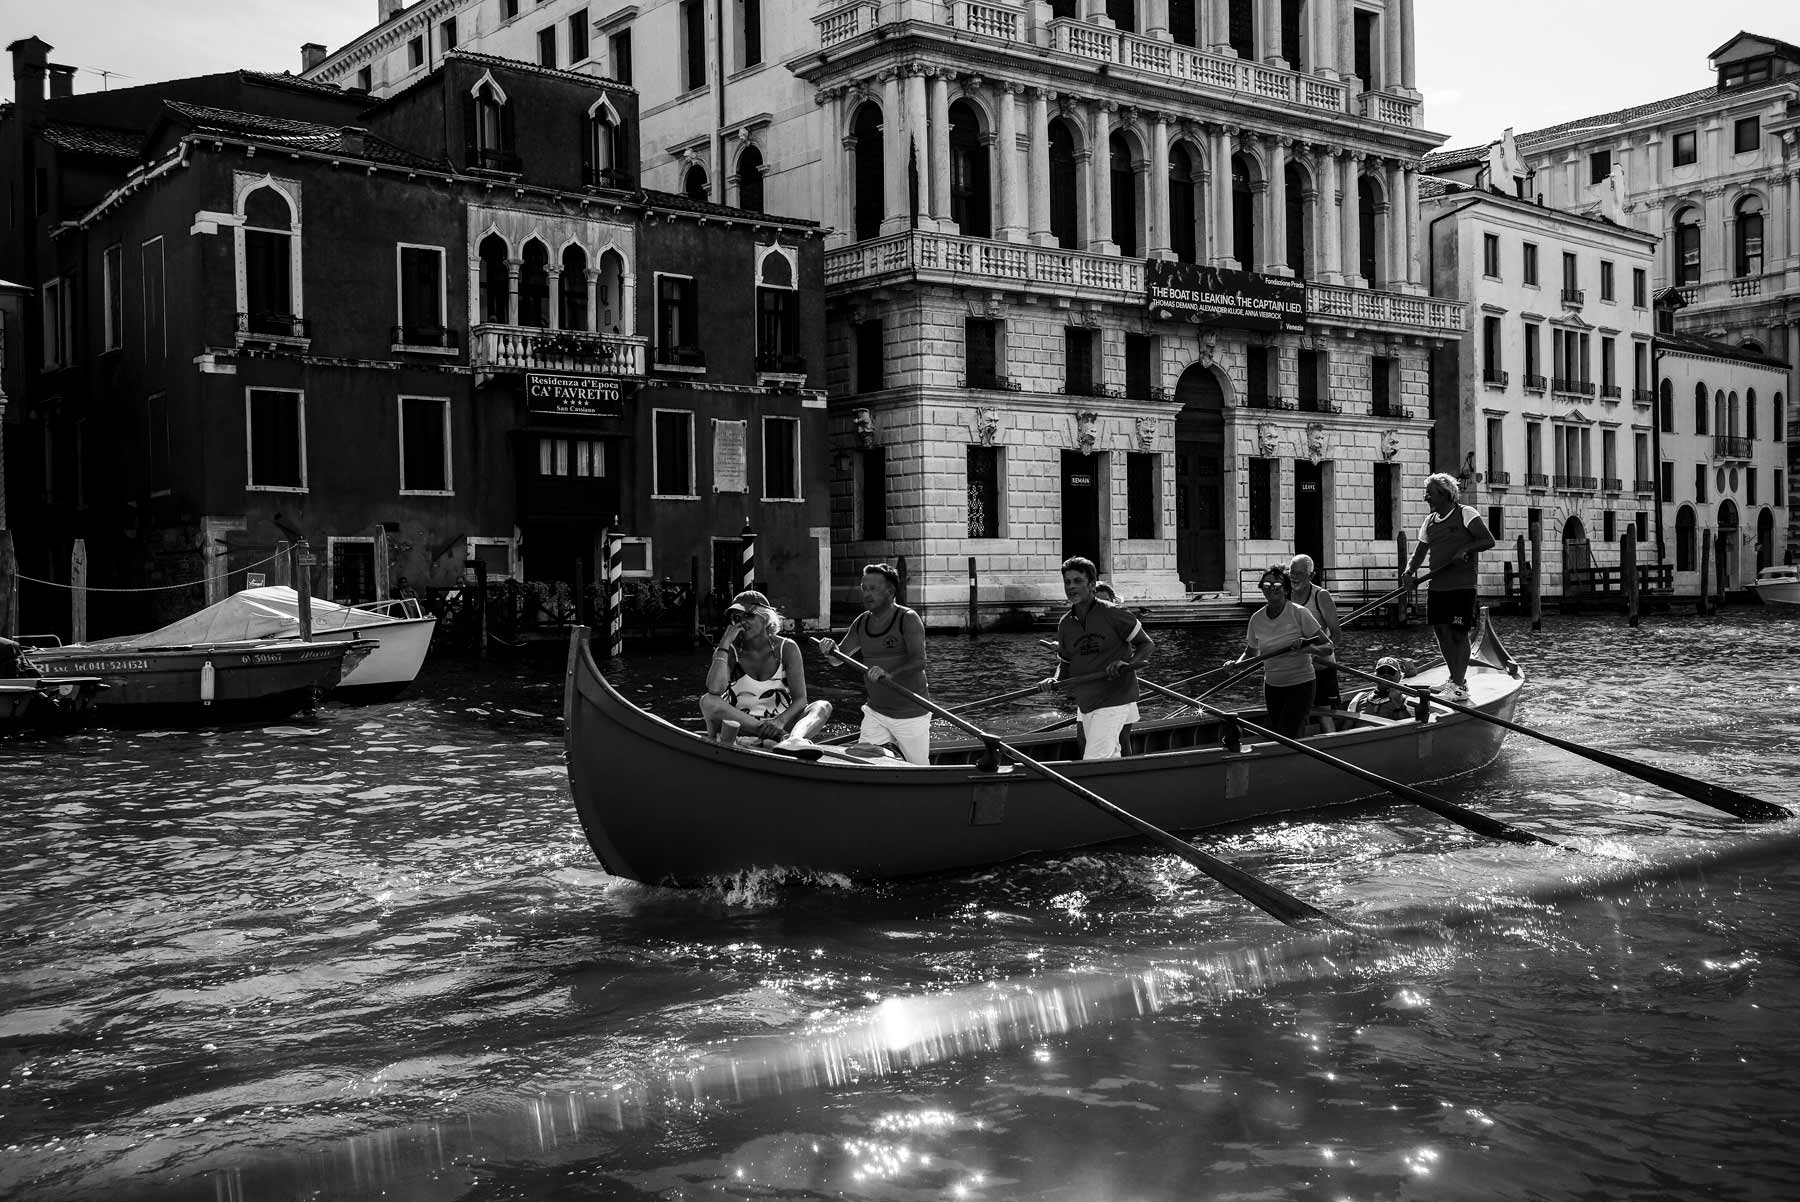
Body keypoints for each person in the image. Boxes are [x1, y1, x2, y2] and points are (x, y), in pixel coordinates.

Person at [1038, 557, 1155, 760]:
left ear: (1092, 585)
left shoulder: (1114, 613)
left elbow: (1146, 644)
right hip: (1086, 700)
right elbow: (1065, 664)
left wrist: (1127, 663)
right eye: (1067, 582)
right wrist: (1054, 680)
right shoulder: (1065, 624)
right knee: (1102, 754)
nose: (1071, 587)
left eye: (1077, 581)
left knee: (1095, 758)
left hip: (1115, 697)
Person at [816, 563, 932, 764]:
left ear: (890, 591)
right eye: (864, 588)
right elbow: (837, 659)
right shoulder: (862, 622)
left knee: (918, 769)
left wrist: (890, 674)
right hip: (876, 711)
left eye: (873, 589)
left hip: (911, 714)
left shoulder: (908, 618)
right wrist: (830, 649)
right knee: (861, 762)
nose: (867, 594)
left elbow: (919, 661)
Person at [1403, 472, 1496, 704]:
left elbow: (1487, 540)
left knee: (1458, 633)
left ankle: (1458, 684)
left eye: (1430, 493)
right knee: (1442, 633)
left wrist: (1465, 549)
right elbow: (1419, 552)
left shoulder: (1465, 513)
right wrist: (1408, 572)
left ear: (1445, 494)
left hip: (1461, 586)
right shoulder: (1430, 521)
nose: (1426, 497)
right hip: (1437, 587)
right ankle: (1456, 679)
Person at [700, 590, 832, 745]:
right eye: (737, 618)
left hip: (780, 724)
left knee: (823, 706)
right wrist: (724, 644)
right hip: (741, 727)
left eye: (748, 616)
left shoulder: (787, 648)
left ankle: (794, 740)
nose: (742, 622)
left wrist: (779, 722)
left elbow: (801, 700)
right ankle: (780, 737)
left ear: (766, 619)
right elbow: (715, 689)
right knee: (708, 701)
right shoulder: (728, 651)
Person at [1233, 564, 1334, 740]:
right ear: (1262, 590)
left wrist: (1308, 648)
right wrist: (1235, 664)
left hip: (1301, 684)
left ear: (1286, 589)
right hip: (1272, 686)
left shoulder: (1299, 613)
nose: (1272, 589)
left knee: (1288, 733)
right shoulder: (1256, 619)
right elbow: (1251, 653)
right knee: (1276, 733)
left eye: (1277, 586)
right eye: (1267, 586)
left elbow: (1328, 647)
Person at [1288, 553, 1344, 731]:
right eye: (1292, 572)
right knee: (1296, 713)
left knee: (1323, 714)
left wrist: (1315, 653)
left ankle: (1332, 746)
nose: (1294, 577)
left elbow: (1336, 636)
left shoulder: (1321, 596)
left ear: (1311, 576)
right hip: (1296, 666)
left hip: (1322, 666)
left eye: (1300, 573)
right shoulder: (1286, 596)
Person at [1348, 656, 1417, 721]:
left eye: (1391, 672)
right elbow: (1347, 727)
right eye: (1381, 671)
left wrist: (1398, 705)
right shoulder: (1358, 698)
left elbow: (1411, 728)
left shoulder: (1408, 701)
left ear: (1399, 676)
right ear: (1375, 675)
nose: (1385, 675)